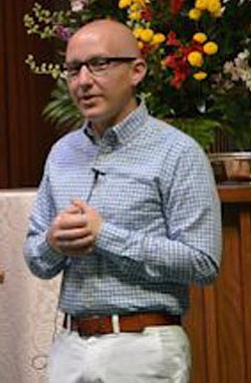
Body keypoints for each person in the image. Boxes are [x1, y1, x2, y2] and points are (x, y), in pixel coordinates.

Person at [24, 19, 221, 382]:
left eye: (99, 64)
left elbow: (203, 263)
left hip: (143, 346)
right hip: (70, 344)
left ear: (137, 71)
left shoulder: (177, 152)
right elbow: (37, 259)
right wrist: (53, 241)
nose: (83, 81)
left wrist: (105, 236)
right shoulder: (62, 153)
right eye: (73, 69)